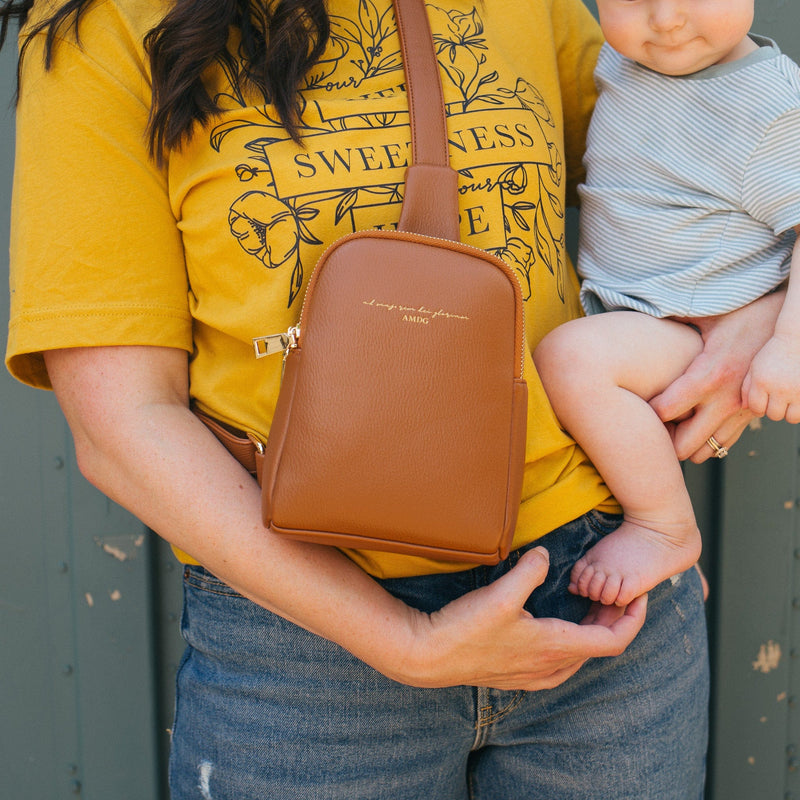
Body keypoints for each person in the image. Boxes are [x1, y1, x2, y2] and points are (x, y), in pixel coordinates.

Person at [1, 0, 781, 796]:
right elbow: (123, 423)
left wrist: (758, 321)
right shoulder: (109, 30)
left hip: (599, 597)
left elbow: (700, 156)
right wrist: (406, 641)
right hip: (308, 639)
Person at [534, 0, 800, 609]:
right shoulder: (624, 62)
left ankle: (664, 527)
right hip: (637, 309)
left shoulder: (769, 105)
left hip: (692, 323)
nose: (667, 18)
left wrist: (788, 342)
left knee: (573, 361)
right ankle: (671, 577)